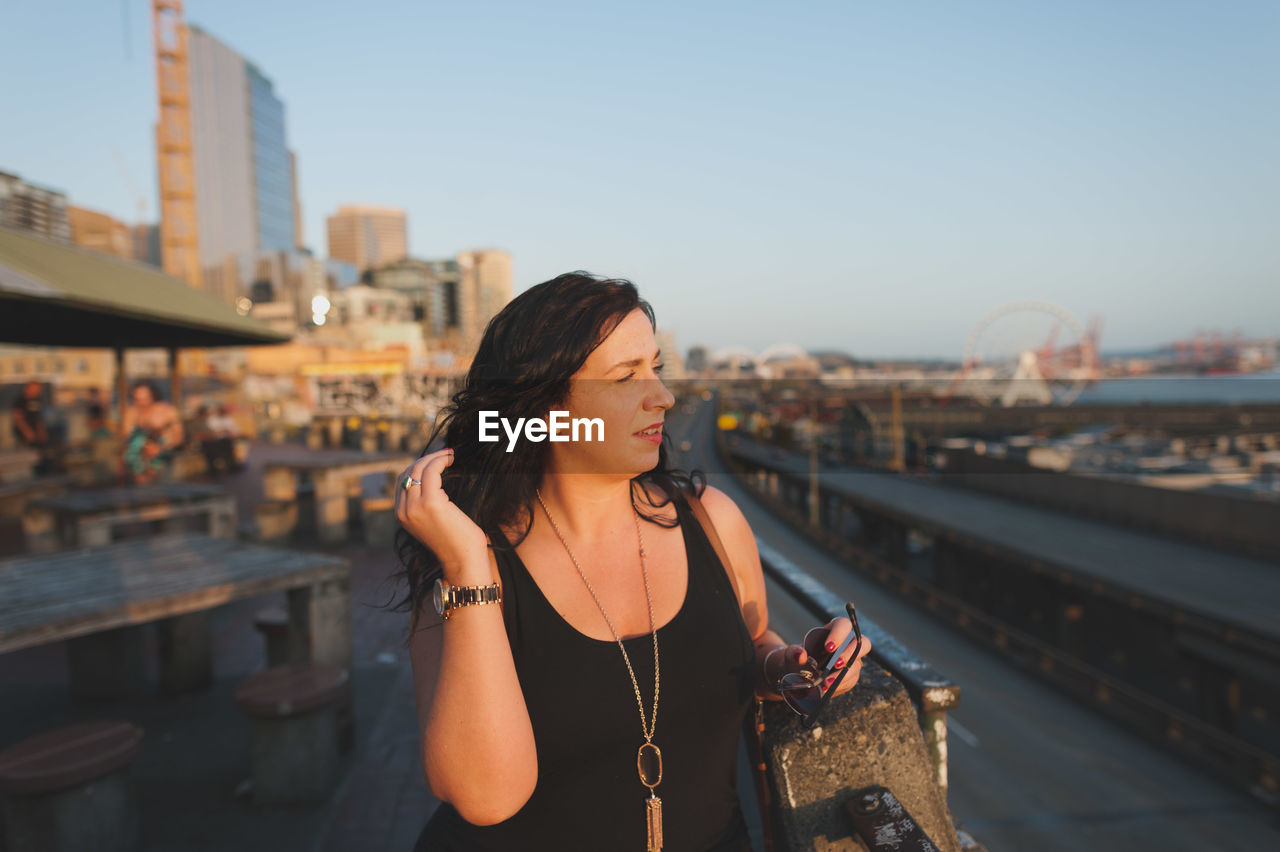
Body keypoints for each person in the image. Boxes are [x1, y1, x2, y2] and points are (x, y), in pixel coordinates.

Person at [390, 272, 872, 852]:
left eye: (655, 368)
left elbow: (751, 643)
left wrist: (794, 667)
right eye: (625, 378)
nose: (663, 396)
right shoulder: (466, 560)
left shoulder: (711, 521)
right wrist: (467, 570)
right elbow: (484, 798)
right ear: (543, 410)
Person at [121, 380, 184, 485]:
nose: (141, 403)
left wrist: (161, 448)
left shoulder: (167, 411)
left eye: (145, 399)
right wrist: (143, 446)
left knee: (163, 492)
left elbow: (179, 435)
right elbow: (126, 435)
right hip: (139, 463)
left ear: (153, 396)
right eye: (137, 400)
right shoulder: (131, 413)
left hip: (163, 460)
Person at [11, 380, 53, 475]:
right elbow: (18, 418)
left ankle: (40, 474)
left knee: (40, 454)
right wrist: (27, 431)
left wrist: (42, 430)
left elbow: (38, 418)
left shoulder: (37, 400)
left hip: (36, 434)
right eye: (35, 389)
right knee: (27, 456)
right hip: (23, 433)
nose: (37, 391)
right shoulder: (20, 400)